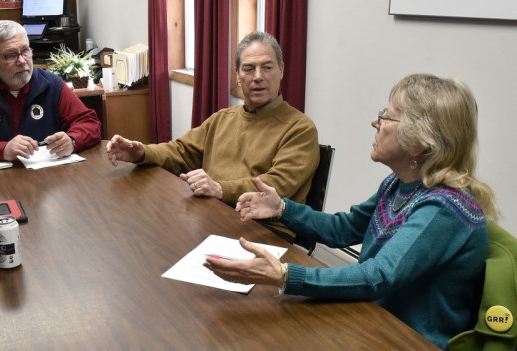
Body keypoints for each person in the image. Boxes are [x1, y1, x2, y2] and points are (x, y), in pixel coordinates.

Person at [204, 73, 497, 349]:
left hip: (406, 340)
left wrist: (284, 275)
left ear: (419, 143)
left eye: (386, 115)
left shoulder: (445, 208)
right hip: (372, 320)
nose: (375, 121)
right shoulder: (399, 184)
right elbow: (343, 228)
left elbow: (377, 276)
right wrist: (281, 208)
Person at [106, 31, 319, 212]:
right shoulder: (222, 119)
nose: (257, 77)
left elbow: (275, 187)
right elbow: (180, 151)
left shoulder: (300, 129)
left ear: (282, 71)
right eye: (248, 68)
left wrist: (218, 188)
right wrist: (142, 152)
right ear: (237, 76)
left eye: (267, 67)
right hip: (212, 214)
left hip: (264, 230)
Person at [0, 20, 101, 162]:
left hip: (48, 180)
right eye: (10, 55)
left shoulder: (52, 85)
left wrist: (72, 140)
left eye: (25, 50)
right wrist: (1, 150)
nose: (22, 61)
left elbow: (89, 123)